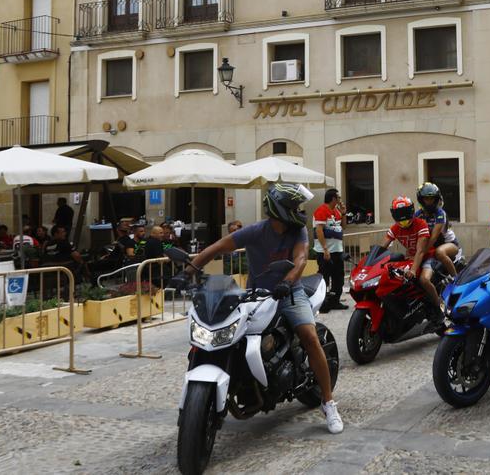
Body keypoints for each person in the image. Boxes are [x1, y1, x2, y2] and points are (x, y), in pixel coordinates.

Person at [187, 184, 344, 434]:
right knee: (228, 335)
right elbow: (216, 248)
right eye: (294, 207)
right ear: (279, 208)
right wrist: (189, 270)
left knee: (310, 336)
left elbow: (301, 258)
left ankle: (328, 402)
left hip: (289, 292)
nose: (299, 211)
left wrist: (287, 281)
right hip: (255, 295)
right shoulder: (255, 231)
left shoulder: (298, 230)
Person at [379, 196, 442, 322]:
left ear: (411, 211)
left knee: (424, 280)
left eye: (405, 213)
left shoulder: (421, 224)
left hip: (427, 257)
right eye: (399, 214)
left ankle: (439, 307)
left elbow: (421, 251)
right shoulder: (395, 228)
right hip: (410, 258)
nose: (402, 217)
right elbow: (381, 248)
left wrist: (413, 270)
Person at [415, 182, 460, 278]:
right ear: (421, 199)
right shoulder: (418, 215)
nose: (429, 201)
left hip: (449, 244)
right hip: (430, 247)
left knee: (439, 252)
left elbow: (434, 237)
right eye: (426, 198)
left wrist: (421, 253)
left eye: (432, 198)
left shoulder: (440, 213)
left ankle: (456, 279)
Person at [312, 189, 346, 312]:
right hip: (325, 252)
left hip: (337, 250)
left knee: (338, 278)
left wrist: (343, 214)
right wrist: (325, 249)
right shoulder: (321, 210)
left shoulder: (336, 211)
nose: (340, 200)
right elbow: (319, 230)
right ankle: (323, 303)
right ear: (333, 198)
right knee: (324, 278)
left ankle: (335, 301)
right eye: (338, 197)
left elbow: (343, 227)